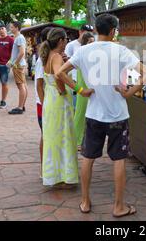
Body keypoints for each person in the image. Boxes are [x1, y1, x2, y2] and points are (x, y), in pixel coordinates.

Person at [56, 13, 146, 218]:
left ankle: (85, 201)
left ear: (96, 30)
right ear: (114, 30)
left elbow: (60, 73)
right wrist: (127, 93)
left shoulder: (84, 51)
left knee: (88, 158)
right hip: (118, 114)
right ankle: (118, 206)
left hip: (94, 114)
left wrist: (81, 90)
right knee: (118, 160)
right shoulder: (122, 51)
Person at [39, 28, 92, 186]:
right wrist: (79, 89)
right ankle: (64, 176)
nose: (67, 42)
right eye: (66, 40)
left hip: (50, 100)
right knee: (64, 137)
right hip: (59, 101)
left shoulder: (49, 55)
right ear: (61, 41)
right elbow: (59, 74)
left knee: (54, 138)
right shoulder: (56, 57)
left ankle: (55, 175)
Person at [73, 32, 95, 149]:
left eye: (93, 42)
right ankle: (77, 141)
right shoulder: (81, 54)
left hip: (92, 88)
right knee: (80, 114)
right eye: (90, 42)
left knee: (89, 115)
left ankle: (84, 140)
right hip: (83, 87)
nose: (93, 44)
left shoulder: (93, 55)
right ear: (84, 43)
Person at [34, 27, 51, 176]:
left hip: (48, 103)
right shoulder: (42, 59)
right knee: (45, 135)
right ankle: (43, 169)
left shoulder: (51, 56)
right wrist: (45, 103)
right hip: (43, 103)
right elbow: (39, 85)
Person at [64, 24, 95, 106]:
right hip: (76, 82)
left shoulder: (93, 46)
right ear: (80, 32)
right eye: (86, 32)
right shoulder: (71, 45)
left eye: (90, 32)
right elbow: (66, 63)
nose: (88, 34)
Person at [8, 21, 28, 114]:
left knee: (21, 86)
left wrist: (15, 63)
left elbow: (21, 52)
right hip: (20, 64)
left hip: (18, 65)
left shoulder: (19, 38)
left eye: (12, 27)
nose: (10, 29)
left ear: (16, 28)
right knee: (23, 85)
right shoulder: (19, 38)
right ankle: (22, 105)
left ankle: (20, 107)